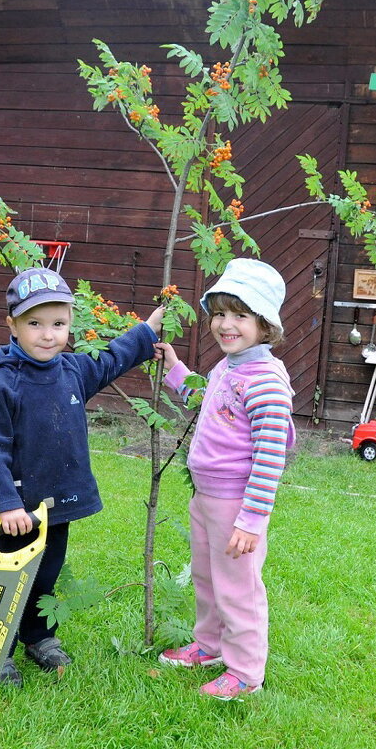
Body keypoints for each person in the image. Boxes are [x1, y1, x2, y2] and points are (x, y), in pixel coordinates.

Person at [0, 266, 163, 688]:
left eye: (58, 324)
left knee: (47, 575)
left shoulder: (73, 369)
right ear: (13, 326)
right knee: (11, 580)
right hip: (16, 511)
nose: (47, 334)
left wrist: (146, 332)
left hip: (55, 505)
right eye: (34, 324)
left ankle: (39, 637)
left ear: (70, 324)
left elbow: (111, 360)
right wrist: (5, 505)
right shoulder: (2, 384)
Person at [156, 258, 295, 701]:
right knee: (206, 577)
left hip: (237, 506)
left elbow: (270, 457)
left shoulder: (266, 381)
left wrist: (251, 521)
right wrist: (177, 370)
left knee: (238, 588)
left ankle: (246, 672)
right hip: (206, 499)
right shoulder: (229, 366)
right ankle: (210, 645)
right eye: (219, 313)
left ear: (265, 325)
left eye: (240, 314)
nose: (225, 324)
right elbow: (207, 401)